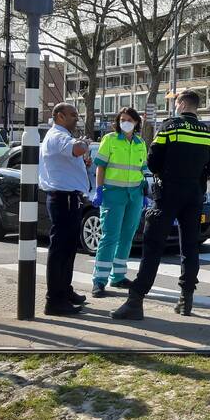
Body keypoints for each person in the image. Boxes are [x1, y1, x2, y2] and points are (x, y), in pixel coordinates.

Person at [112, 89, 210, 320]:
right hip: (194, 195)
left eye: (175, 103)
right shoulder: (207, 133)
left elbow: (152, 161)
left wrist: (168, 171)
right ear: (196, 107)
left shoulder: (170, 127)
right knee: (190, 247)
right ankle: (186, 299)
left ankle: (135, 300)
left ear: (180, 104)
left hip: (169, 192)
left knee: (153, 245)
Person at [38, 103, 92, 315]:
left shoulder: (61, 136)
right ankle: (54, 300)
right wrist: (85, 144)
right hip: (63, 198)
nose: (76, 119)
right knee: (60, 249)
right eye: (72, 115)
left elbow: (72, 157)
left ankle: (64, 290)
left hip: (70, 198)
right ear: (59, 116)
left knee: (69, 248)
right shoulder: (57, 136)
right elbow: (77, 149)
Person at [90, 107, 149, 298]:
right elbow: (101, 167)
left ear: (136, 122)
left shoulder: (140, 143)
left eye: (129, 119)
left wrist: (144, 192)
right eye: (122, 119)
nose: (125, 122)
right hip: (113, 194)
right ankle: (99, 281)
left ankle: (118, 276)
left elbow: (143, 169)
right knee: (109, 237)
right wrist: (99, 190)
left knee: (127, 236)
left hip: (135, 194)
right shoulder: (110, 139)